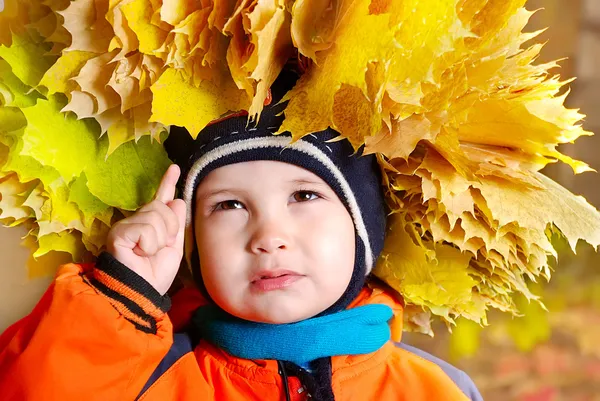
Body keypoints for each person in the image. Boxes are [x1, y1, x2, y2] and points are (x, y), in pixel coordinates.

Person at [0, 79, 483, 400]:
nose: (269, 237)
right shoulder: (145, 380)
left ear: (364, 228)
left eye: (304, 195)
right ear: (191, 242)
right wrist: (120, 296)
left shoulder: (439, 389)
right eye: (229, 206)